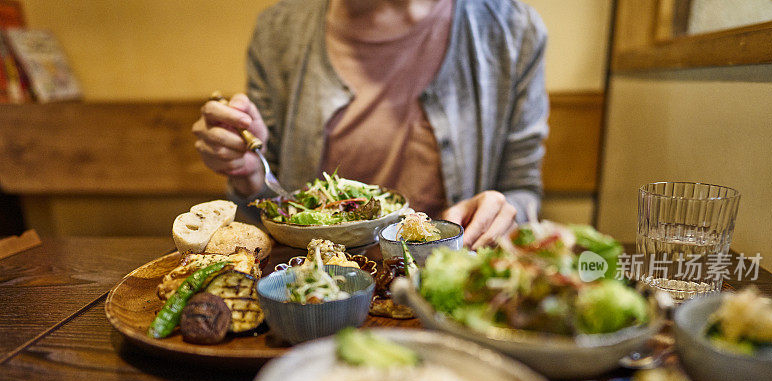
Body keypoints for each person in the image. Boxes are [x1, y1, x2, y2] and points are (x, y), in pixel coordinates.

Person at [193, 0, 548, 249]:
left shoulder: (513, 31)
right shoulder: (279, 33)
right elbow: (267, 209)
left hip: (443, 293)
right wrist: (249, 177)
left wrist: (501, 213)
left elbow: (521, 189)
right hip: (313, 292)